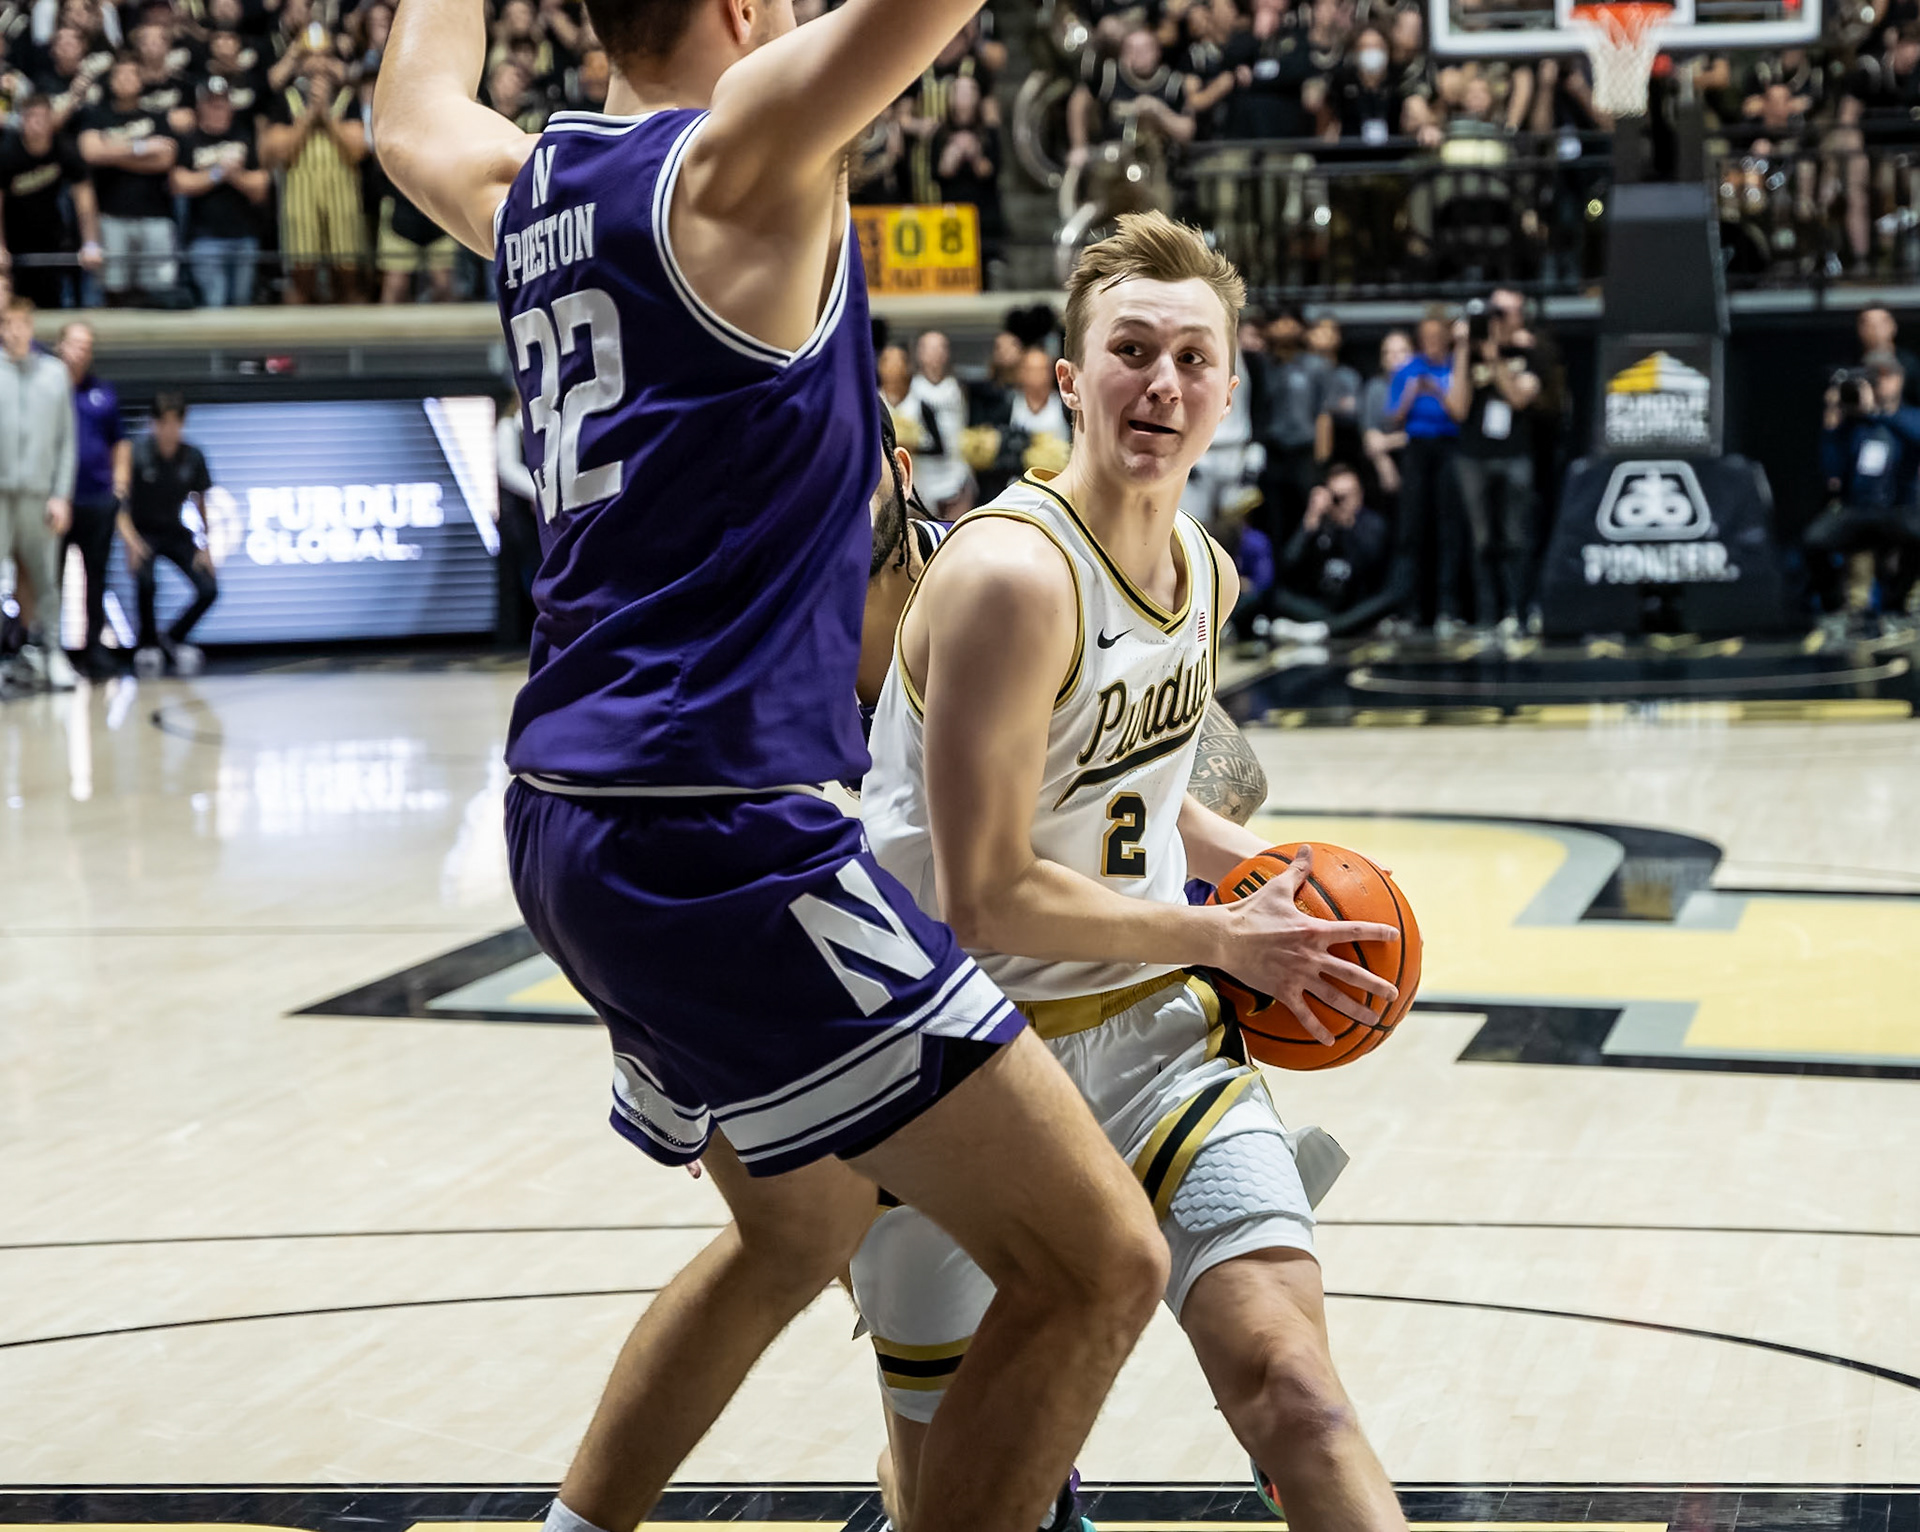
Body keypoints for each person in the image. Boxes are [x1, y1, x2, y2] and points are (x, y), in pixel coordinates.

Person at [372, 2, 1172, 1530]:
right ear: (744, 14)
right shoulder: (745, 161)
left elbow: (413, 107)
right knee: (1101, 1264)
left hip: (571, 818)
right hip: (713, 831)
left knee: (799, 1222)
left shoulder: (533, 190)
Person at [855, 211, 1407, 1532]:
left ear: (1229, 387)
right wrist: (1223, 940)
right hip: (967, 1068)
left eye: (1192, 358)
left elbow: (1149, 813)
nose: (1162, 382)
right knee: (961, 1503)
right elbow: (986, 892)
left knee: (1300, 1396)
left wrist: (1287, 896)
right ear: (1069, 376)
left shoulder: (1205, 574)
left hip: (1160, 1048)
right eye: (1131, 350)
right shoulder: (1010, 577)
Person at [1446, 299, 1540, 635]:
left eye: (1496, 319)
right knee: (1481, 539)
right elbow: (1456, 409)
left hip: (1514, 452)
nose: (1491, 327)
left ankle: (1519, 609)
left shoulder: (1524, 353)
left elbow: (1518, 397)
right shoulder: (1464, 358)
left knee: (1515, 534)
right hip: (1473, 455)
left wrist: (1494, 355)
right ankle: (1489, 613)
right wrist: (1461, 349)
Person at [1811, 358, 1920, 634]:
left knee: (1917, 534)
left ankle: (1896, 608)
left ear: (1899, 380)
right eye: (1874, 378)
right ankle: (1833, 611)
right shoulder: (1853, 426)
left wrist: (1878, 412)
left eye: (1886, 376)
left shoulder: (1907, 417)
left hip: (1896, 508)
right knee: (1815, 540)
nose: (1880, 383)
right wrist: (1832, 424)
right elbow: (1831, 471)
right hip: (1857, 510)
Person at [0, 294, 76, 689]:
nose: (12, 331)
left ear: (30, 327)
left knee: (46, 581)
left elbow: (67, 442)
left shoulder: (54, 374)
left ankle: (52, 654)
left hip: (38, 495)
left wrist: (60, 494)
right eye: (5, 324)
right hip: (0, 496)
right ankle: (8, 656)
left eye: (19, 324)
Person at [122, 391, 217, 676]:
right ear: (154, 424)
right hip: (142, 530)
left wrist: (205, 545)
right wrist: (131, 542)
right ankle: (147, 644)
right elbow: (121, 505)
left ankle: (173, 638)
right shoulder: (137, 454)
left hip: (175, 530)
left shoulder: (193, 456)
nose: (170, 431)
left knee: (209, 589)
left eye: (176, 424)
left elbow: (201, 503)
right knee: (147, 581)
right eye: (164, 423)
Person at [262, 51, 367, 303]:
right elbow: (274, 153)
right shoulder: (285, 99)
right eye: (311, 57)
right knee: (301, 270)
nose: (319, 64)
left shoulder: (348, 98)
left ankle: (352, 338)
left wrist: (328, 118)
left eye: (324, 56)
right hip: (300, 195)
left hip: (342, 194)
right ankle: (297, 337)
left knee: (346, 270)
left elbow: (359, 150)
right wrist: (309, 117)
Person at [76, 54, 179, 305]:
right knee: (115, 289)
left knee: (159, 290)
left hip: (155, 216)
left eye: (131, 74)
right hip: (112, 217)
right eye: (119, 75)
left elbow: (166, 158)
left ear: (140, 80)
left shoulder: (156, 117)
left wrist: (112, 152)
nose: (125, 80)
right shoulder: (97, 115)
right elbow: (90, 152)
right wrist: (143, 149)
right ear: (111, 82)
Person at [57, 319, 128, 679]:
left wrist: (119, 486)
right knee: (49, 580)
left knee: (96, 579)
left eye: (87, 345)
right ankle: (49, 651)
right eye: (75, 344)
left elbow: (120, 440)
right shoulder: (49, 389)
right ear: (60, 346)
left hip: (97, 501)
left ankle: (94, 649)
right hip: (57, 502)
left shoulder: (104, 392)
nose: (81, 351)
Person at [1385, 314, 1458, 629]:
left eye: (1436, 335)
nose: (1431, 341)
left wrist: (1438, 392)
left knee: (1448, 529)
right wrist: (1413, 392)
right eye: (1425, 335)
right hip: (1416, 448)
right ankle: (1409, 608)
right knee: (1411, 530)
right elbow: (1394, 418)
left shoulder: (1456, 366)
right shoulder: (1408, 370)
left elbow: (1459, 412)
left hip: (1449, 448)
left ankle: (1447, 608)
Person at [172, 78, 271, 307]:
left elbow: (260, 186)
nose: (217, 109)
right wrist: (218, 174)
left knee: (241, 303)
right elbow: (180, 182)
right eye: (211, 104)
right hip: (205, 238)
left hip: (244, 236)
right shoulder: (190, 139)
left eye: (222, 103)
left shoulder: (244, 136)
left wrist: (234, 176)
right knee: (214, 302)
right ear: (201, 107)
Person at [0, 93, 104, 309]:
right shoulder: (7, 152)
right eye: (31, 117)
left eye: (42, 118)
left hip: (52, 232)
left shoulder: (64, 149)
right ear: (22, 120)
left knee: (53, 296)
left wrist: (91, 242)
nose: (37, 124)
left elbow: (84, 195)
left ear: (51, 120)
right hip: (14, 233)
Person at [1274, 465, 1396, 637]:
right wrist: (1309, 523)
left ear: (1359, 494)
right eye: (1336, 497)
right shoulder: (1321, 524)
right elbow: (1288, 564)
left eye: (1346, 496)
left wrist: (1348, 526)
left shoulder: (1372, 524)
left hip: (1358, 604)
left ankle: (1324, 629)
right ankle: (1333, 627)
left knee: (1389, 599)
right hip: (1322, 606)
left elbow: (1371, 564)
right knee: (1276, 595)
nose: (1340, 503)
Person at [908, 329, 973, 517]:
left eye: (940, 348)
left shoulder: (960, 386)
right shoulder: (911, 388)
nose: (935, 354)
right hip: (921, 479)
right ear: (919, 353)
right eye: (929, 349)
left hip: (956, 475)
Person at [1360, 328, 1411, 513]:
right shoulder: (1375, 387)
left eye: (1401, 352)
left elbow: (1424, 432)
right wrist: (1383, 463)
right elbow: (1369, 433)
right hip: (1382, 461)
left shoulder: (1423, 386)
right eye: (1388, 352)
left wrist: (1389, 441)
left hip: (1415, 459)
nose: (1394, 357)